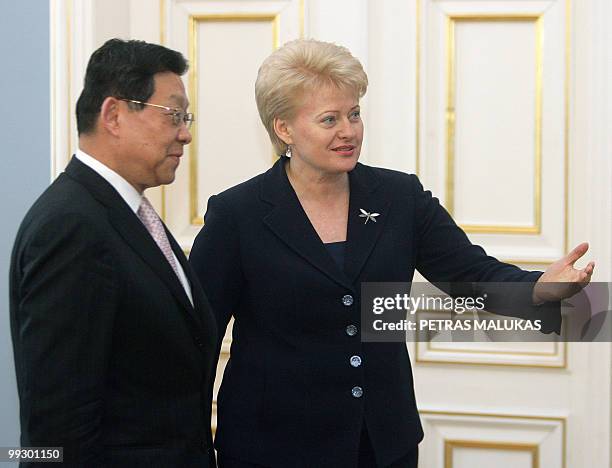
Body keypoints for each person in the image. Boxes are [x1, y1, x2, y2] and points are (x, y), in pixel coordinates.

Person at [189, 39, 594, 467]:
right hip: (271, 448)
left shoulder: (400, 197)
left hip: (382, 444)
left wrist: (540, 289)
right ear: (284, 129)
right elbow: (196, 339)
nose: (349, 131)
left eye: (354, 113)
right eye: (330, 119)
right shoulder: (238, 213)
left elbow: (469, 272)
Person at [10, 39, 218, 467]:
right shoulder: (71, 227)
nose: (186, 132)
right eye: (173, 114)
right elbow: (56, 422)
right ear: (114, 115)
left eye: (187, 117)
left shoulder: (129, 213)